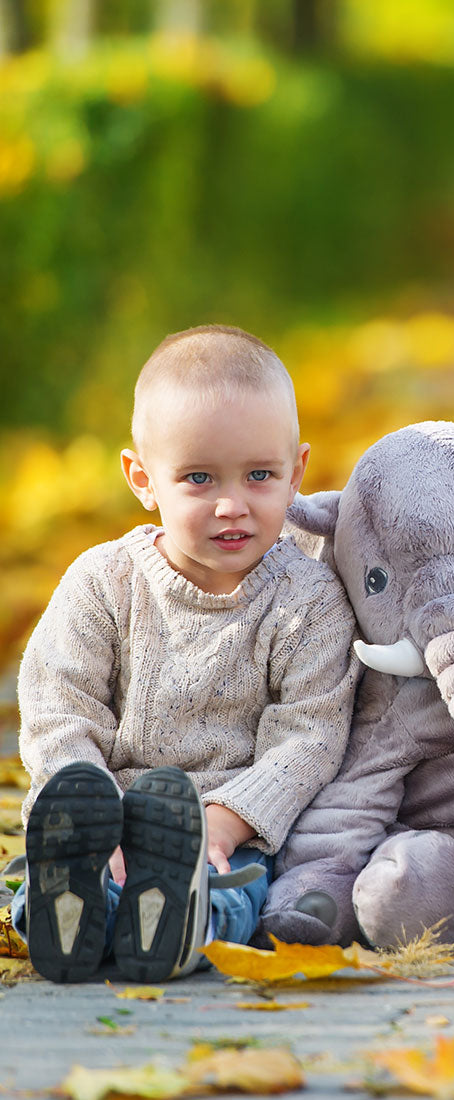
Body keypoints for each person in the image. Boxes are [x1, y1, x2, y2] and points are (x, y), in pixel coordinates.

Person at [12, 324, 360, 983]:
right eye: (199, 478)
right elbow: (59, 704)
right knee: (57, 878)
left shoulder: (307, 598)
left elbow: (310, 735)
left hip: (217, 834)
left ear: (298, 473)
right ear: (143, 479)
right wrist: (84, 801)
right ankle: (66, 907)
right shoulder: (104, 582)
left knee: (231, 897)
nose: (233, 505)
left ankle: (172, 925)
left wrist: (227, 821)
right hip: (99, 820)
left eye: (261, 475)